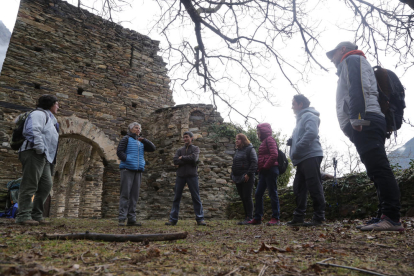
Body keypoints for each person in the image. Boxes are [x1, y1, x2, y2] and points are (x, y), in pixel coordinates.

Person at [326, 41, 403, 231]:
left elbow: (357, 86)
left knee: (379, 168)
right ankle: (383, 215)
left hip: (366, 119)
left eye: (333, 54)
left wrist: (357, 117)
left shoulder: (352, 59)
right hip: (367, 120)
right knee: (374, 170)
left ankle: (392, 217)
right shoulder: (351, 62)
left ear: (343, 49)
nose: (331, 59)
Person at [15, 95, 60, 226]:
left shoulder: (52, 119)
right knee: (30, 184)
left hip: (44, 156)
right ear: (50, 104)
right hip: (33, 152)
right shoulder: (38, 114)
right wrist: (40, 148)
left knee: (46, 185)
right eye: (57, 104)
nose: (58, 106)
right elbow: (32, 131)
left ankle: (36, 214)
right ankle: (23, 215)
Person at [287, 95, 325, 226]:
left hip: (311, 155)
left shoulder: (309, 116)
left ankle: (319, 217)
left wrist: (297, 146)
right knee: (299, 187)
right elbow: (304, 134)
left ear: (300, 104)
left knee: (314, 185)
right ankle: (298, 217)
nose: (292, 106)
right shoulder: (300, 120)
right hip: (302, 158)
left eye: (293, 103)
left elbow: (312, 133)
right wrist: (293, 142)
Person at [117, 122, 155, 226]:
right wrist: (128, 160)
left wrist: (144, 140)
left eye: (139, 128)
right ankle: (122, 218)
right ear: (130, 129)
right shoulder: (126, 138)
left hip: (138, 170)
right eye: (135, 128)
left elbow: (152, 148)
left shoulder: (141, 141)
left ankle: (131, 219)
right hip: (127, 169)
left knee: (134, 196)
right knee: (125, 194)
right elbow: (119, 152)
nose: (138, 129)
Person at [166, 131, 206, 226]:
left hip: (192, 176)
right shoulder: (179, 150)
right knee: (176, 197)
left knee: (196, 197)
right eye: (184, 137)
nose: (185, 139)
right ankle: (173, 219)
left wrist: (182, 158)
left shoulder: (196, 148)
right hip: (180, 176)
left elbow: (194, 159)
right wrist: (186, 159)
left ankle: (200, 219)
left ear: (191, 138)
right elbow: (175, 161)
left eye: (187, 137)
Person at [248, 123, 280, 226]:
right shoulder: (263, 142)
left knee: (272, 193)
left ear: (264, 131)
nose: (257, 133)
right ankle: (257, 218)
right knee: (258, 194)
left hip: (270, 170)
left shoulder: (270, 139)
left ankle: (275, 217)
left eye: (259, 131)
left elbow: (274, 154)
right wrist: (260, 168)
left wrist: (265, 166)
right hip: (264, 171)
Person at [231, 133, 258, 225]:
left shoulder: (250, 149)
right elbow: (234, 164)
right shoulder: (237, 151)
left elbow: (254, 162)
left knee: (247, 196)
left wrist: (249, 174)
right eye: (236, 139)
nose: (236, 141)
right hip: (238, 177)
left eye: (238, 139)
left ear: (243, 140)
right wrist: (232, 176)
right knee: (242, 197)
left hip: (247, 177)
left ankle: (250, 217)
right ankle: (246, 217)